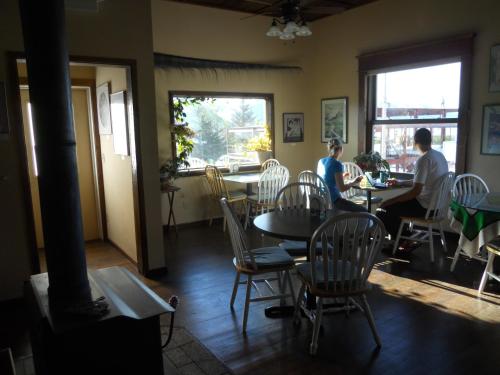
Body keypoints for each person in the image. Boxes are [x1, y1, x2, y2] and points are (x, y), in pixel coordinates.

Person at [376, 128, 449, 251]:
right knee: (392, 208)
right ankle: (406, 239)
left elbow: (416, 191)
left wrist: (389, 201)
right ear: (430, 141)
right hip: (437, 207)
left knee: (382, 210)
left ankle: (404, 241)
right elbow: (422, 181)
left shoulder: (424, 159)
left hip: (424, 207)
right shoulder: (439, 156)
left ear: (416, 142)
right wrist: (400, 182)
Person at [317, 138, 366, 212]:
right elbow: (342, 188)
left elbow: (327, 179)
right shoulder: (337, 164)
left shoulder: (321, 161)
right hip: (334, 201)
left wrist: (342, 176)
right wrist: (355, 181)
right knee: (364, 211)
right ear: (341, 149)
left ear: (329, 148)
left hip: (321, 200)